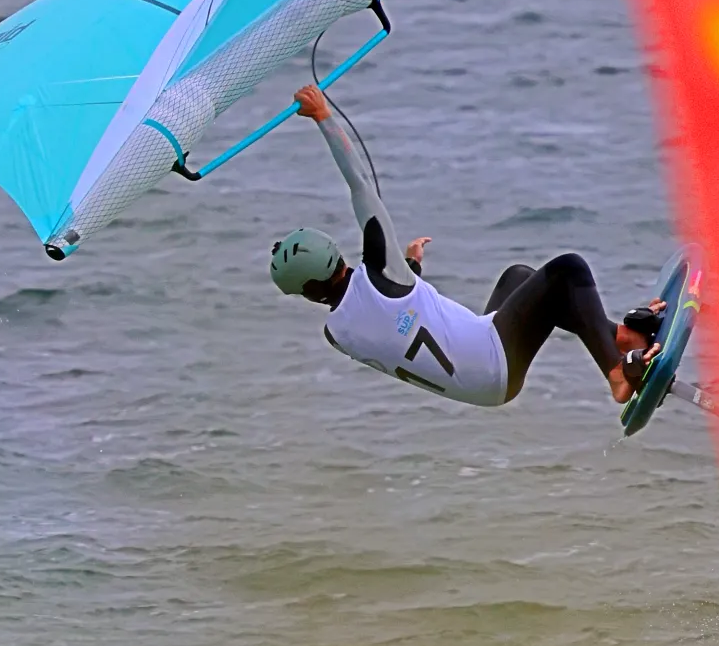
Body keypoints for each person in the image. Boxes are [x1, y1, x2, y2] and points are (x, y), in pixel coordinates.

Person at [270, 85, 663, 408]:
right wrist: (323, 115)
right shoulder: (380, 273)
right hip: (492, 358)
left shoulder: (336, 334)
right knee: (568, 269)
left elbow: (391, 318)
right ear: (333, 254)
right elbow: (359, 184)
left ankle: (617, 336)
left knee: (520, 277)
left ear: (307, 292)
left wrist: (409, 267)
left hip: (482, 384)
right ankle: (616, 373)